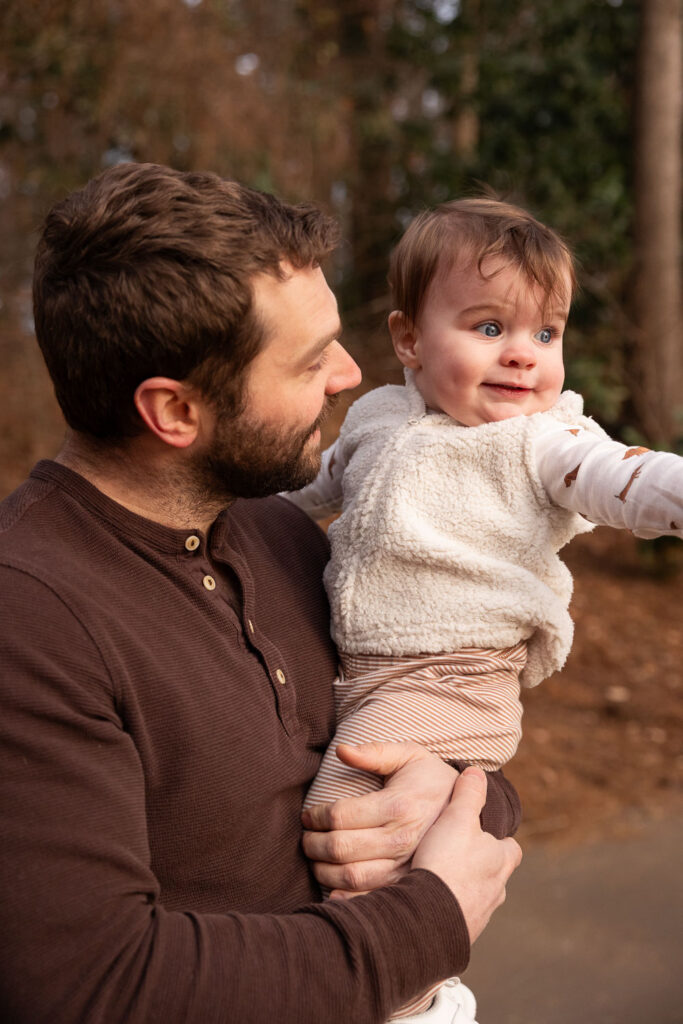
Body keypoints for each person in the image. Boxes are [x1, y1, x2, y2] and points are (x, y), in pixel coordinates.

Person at [0, 164, 523, 1024]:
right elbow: (93, 985)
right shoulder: (33, 616)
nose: (349, 374)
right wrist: (430, 917)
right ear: (174, 410)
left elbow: (450, 722)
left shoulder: (281, 534)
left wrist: (453, 795)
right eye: (311, 358)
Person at [285, 197, 683, 1021]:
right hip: (371, 671)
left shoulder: (544, 442)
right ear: (407, 340)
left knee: (343, 819)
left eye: (545, 334)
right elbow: (303, 498)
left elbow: (626, 480)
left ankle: (416, 1000)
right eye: (488, 327)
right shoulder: (374, 418)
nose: (523, 359)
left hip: (452, 677)